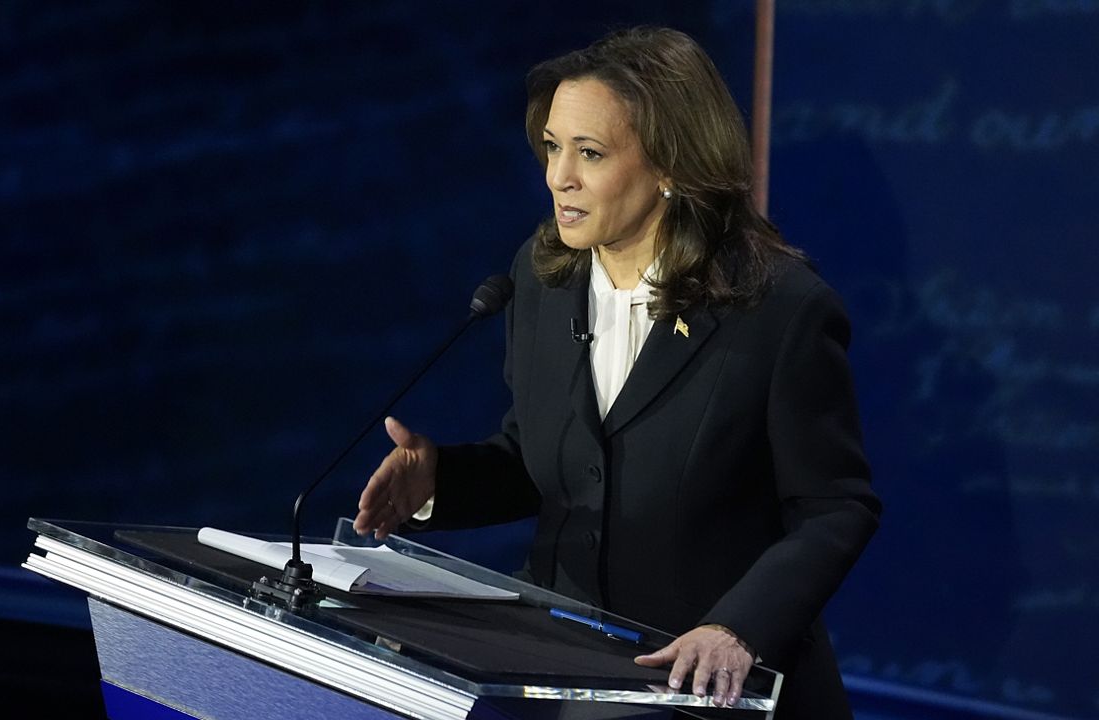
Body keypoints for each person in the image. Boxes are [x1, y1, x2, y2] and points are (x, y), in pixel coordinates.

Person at [353, 25, 880, 719]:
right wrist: (436, 483)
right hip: (561, 674)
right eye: (551, 146)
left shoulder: (777, 309)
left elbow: (835, 507)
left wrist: (737, 628)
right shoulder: (543, 279)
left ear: (670, 166)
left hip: (707, 689)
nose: (557, 177)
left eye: (589, 153)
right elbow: (542, 458)